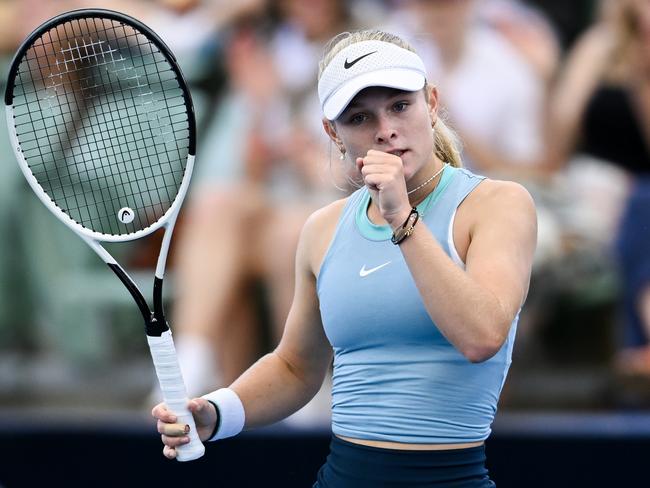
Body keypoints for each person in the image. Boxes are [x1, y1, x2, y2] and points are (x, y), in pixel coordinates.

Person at [152, 29, 537, 487]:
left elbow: (482, 337)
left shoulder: (499, 204)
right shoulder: (322, 229)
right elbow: (296, 366)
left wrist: (402, 219)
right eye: (359, 117)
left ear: (431, 103)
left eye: (400, 105)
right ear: (332, 134)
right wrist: (217, 412)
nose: (385, 129)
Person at [546, 0, 650, 376]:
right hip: (598, 186)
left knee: (643, 202)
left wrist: (641, 81)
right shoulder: (599, 46)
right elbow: (557, 143)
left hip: (641, 196)